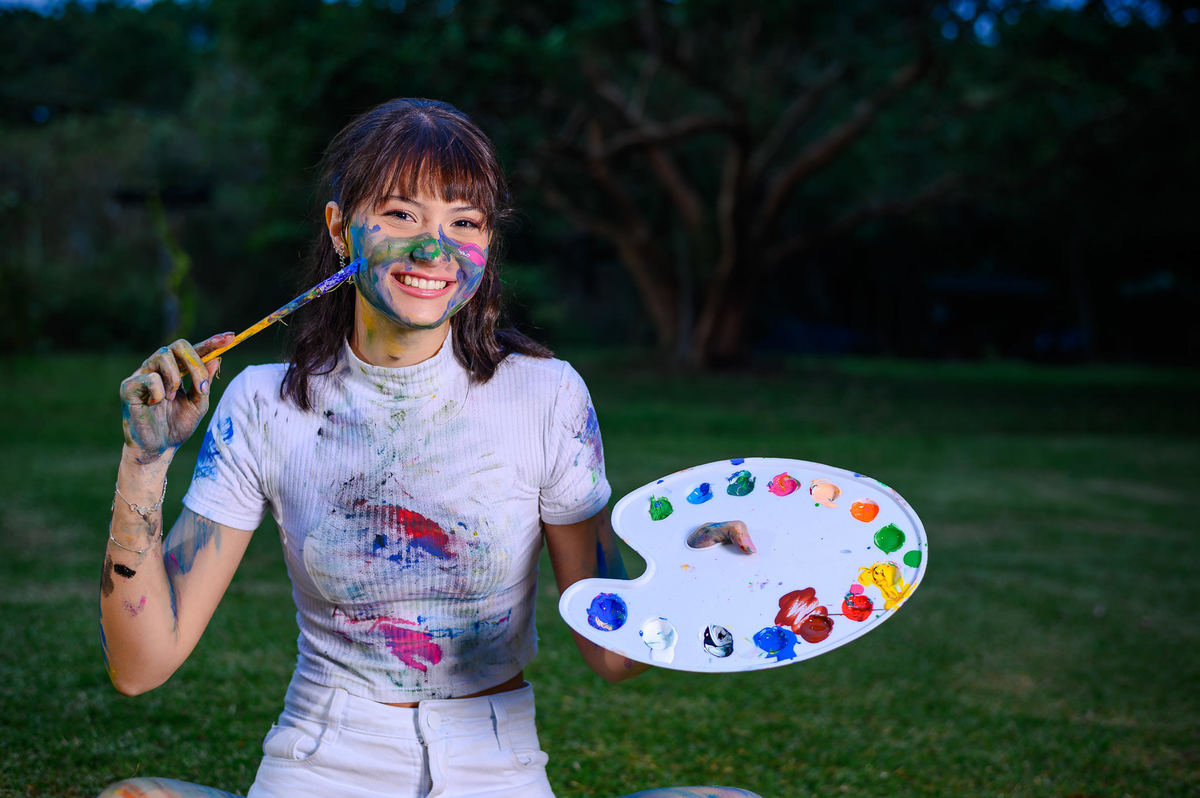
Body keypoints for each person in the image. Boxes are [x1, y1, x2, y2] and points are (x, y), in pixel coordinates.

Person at [98, 98, 762, 798]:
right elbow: (141, 667)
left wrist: (699, 571)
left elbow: (613, 654)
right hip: (322, 761)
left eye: (463, 222)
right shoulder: (265, 404)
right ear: (340, 229)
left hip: (496, 765)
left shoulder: (546, 395)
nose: (432, 248)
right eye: (401, 214)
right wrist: (145, 460)